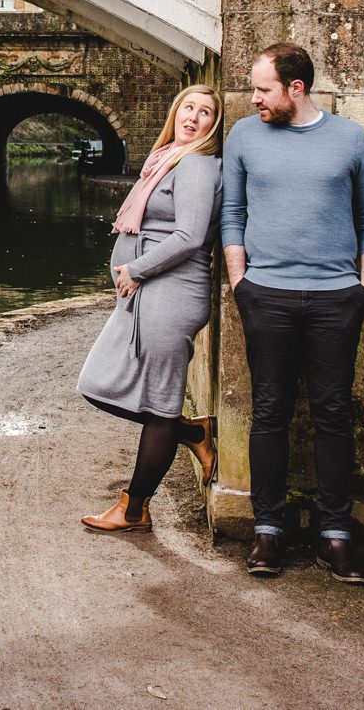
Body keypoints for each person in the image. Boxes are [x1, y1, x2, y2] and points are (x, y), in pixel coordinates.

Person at [220, 43, 364, 584]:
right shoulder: (244, 136)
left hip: (336, 299)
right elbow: (233, 213)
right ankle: (267, 530)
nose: (255, 99)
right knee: (269, 411)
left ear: (296, 89)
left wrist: (363, 289)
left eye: (263, 89)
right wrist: (240, 281)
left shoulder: (351, 139)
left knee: (333, 415)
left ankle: (336, 535)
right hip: (265, 295)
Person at [74, 84, 224, 534]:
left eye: (206, 112)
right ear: (175, 113)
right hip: (146, 295)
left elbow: (191, 235)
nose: (194, 117)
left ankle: (134, 508)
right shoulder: (166, 160)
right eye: (188, 108)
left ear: (214, 125)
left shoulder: (196, 165)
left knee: (159, 404)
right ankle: (193, 433)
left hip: (170, 294)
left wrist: (135, 269)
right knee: (95, 383)